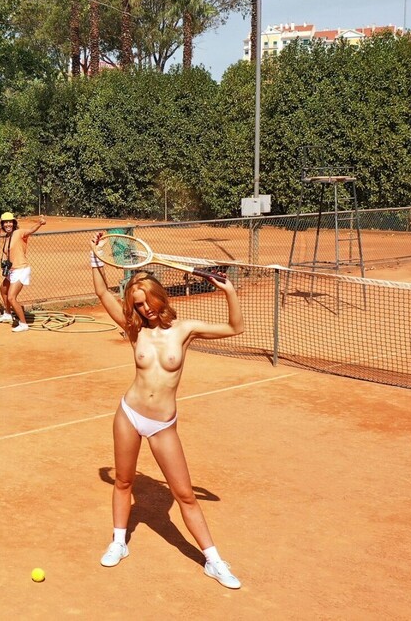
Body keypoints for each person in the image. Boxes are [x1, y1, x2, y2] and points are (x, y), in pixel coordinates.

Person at [89, 232, 245, 589]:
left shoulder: (185, 330)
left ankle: (213, 561)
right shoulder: (134, 330)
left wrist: (230, 292)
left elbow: (235, 328)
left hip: (161, 424)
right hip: (129, 414)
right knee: (124, 481)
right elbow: (101, 294)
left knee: (185, 495)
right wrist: (95, 257)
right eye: (137, 304)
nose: (144, 309)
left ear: (159, 296)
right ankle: (118, 542)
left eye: (147, 301)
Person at [0, 212, 46, 332]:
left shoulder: (18, 233)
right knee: (3, 289)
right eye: (5, 222)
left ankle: (23, 324)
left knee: (11, 297)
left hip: (21, 269)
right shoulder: (7, 237)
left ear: (13, 223)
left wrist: (40, 223)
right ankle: (7, 314)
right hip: (12, 270)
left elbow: (30, 231)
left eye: (10, 222)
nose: (8, 224)